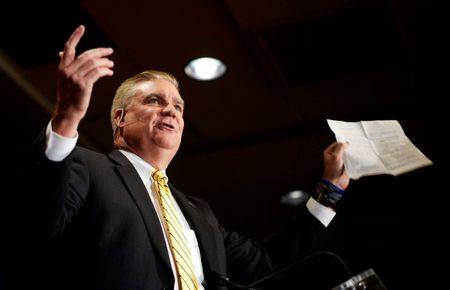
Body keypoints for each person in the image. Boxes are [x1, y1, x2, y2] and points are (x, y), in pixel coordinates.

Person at [15, 25, 349, 290]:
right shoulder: (89, 168)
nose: (171, 111)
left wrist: (330, 190)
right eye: (155, 101)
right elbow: (35, 225)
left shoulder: (198, 212)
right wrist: (66, 119)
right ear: (120, 118)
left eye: (178, 106)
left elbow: (268, 261)